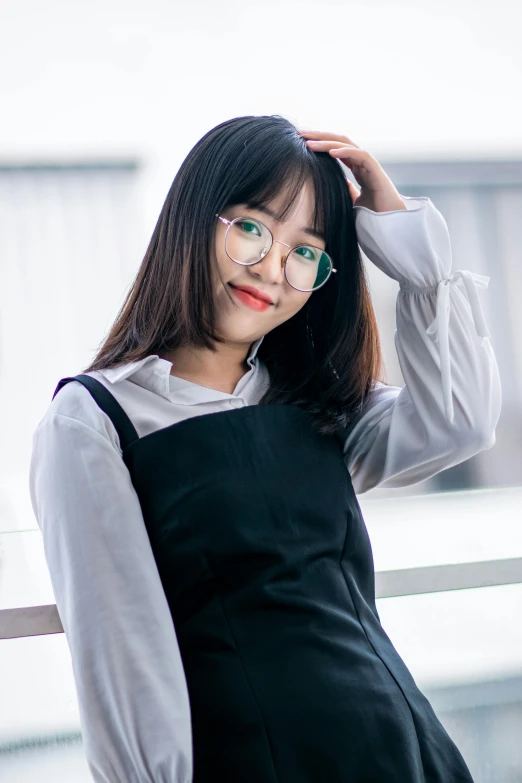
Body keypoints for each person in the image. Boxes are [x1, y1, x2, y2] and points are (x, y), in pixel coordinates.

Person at [29, 114, 501, 783]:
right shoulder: (95, 420)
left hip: (410, 752)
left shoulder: (313, 399)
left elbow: (460, 421)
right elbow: (126, 662)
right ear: (196, 218)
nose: (272, 269)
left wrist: (410, 250)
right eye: (251, 228)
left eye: (305, 251)